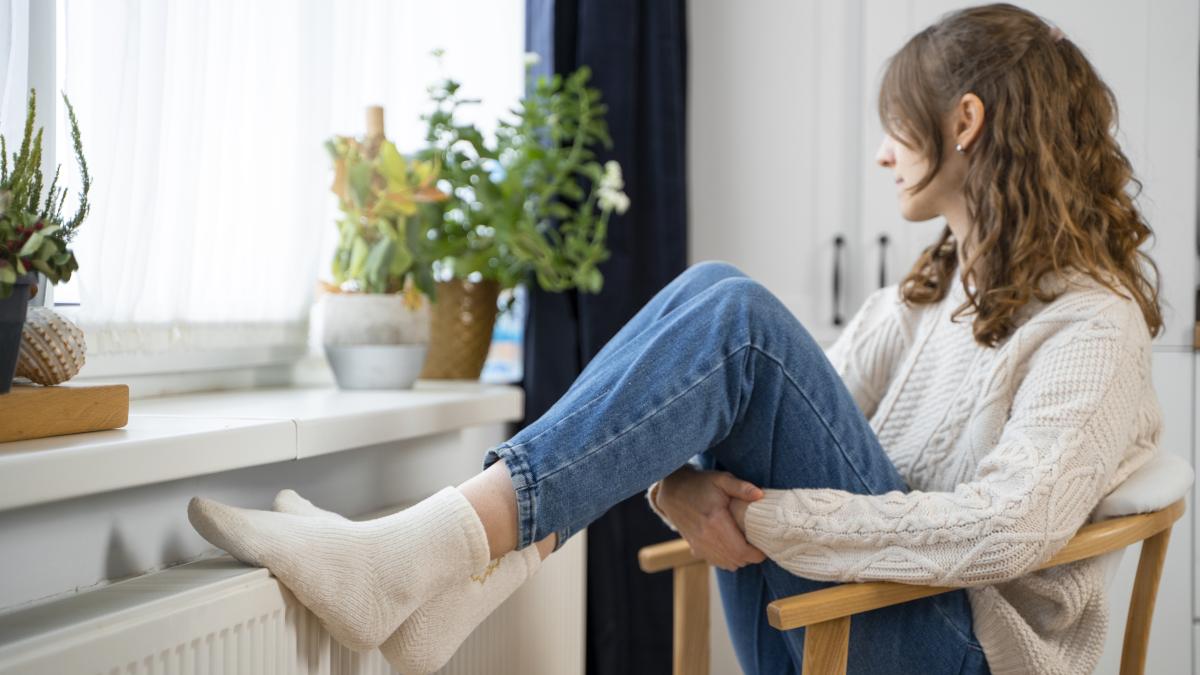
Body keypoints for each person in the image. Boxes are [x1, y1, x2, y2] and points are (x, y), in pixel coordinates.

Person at [187, 4, 1165, 674]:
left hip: (953, 655)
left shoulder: (1093, 326)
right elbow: (740, 415)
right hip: (832, 615)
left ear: (964, 122)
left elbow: (1009, 527)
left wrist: (770, 523)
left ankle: (438, 557)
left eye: (894, 129)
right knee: (727, 314)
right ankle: (447, 565)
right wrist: (684, 489)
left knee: (733, 312)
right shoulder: (920, 298)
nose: (881, 152)